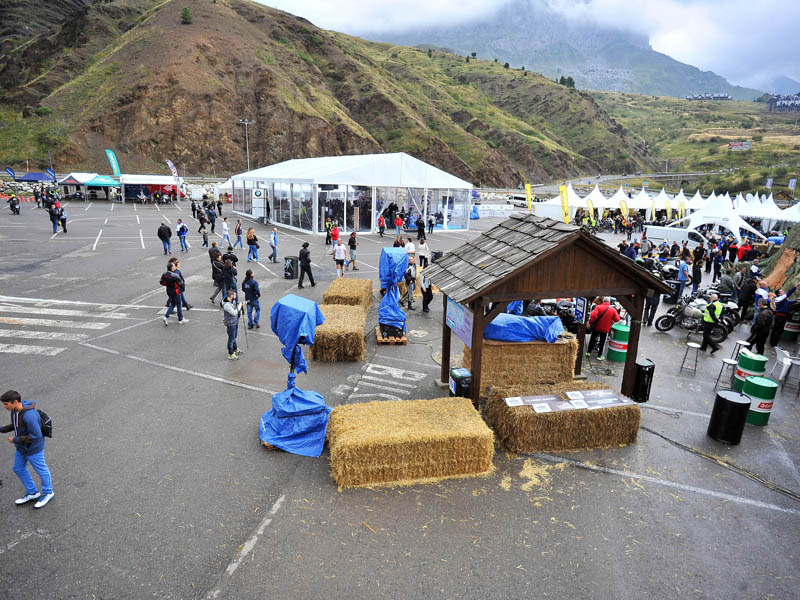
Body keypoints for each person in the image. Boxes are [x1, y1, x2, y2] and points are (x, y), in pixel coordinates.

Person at [1, 390, 54, 509]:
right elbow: (16, 425)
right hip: (22, 447)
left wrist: (15, 439)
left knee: (41, 470)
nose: (4, 407)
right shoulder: (15, 411)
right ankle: (33, 492)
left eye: (6, 404)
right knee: (18, 468)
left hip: (33, 449)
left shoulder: (29, 415)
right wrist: (2, 429)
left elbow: (36, 435)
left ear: (15, 402)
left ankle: (48, 492)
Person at [222, 289, 244, 360]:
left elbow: (235, 307)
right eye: (235, 294)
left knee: (234, 337)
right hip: (231, 323)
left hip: (234, 321)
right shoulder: (227, 305)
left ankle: (235, 349)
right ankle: (230, 354)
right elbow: (234, 313)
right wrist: (240, 306)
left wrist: (238, 305)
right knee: (231, 339)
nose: (236, 296)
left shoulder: (232, 301)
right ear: (231, 295)